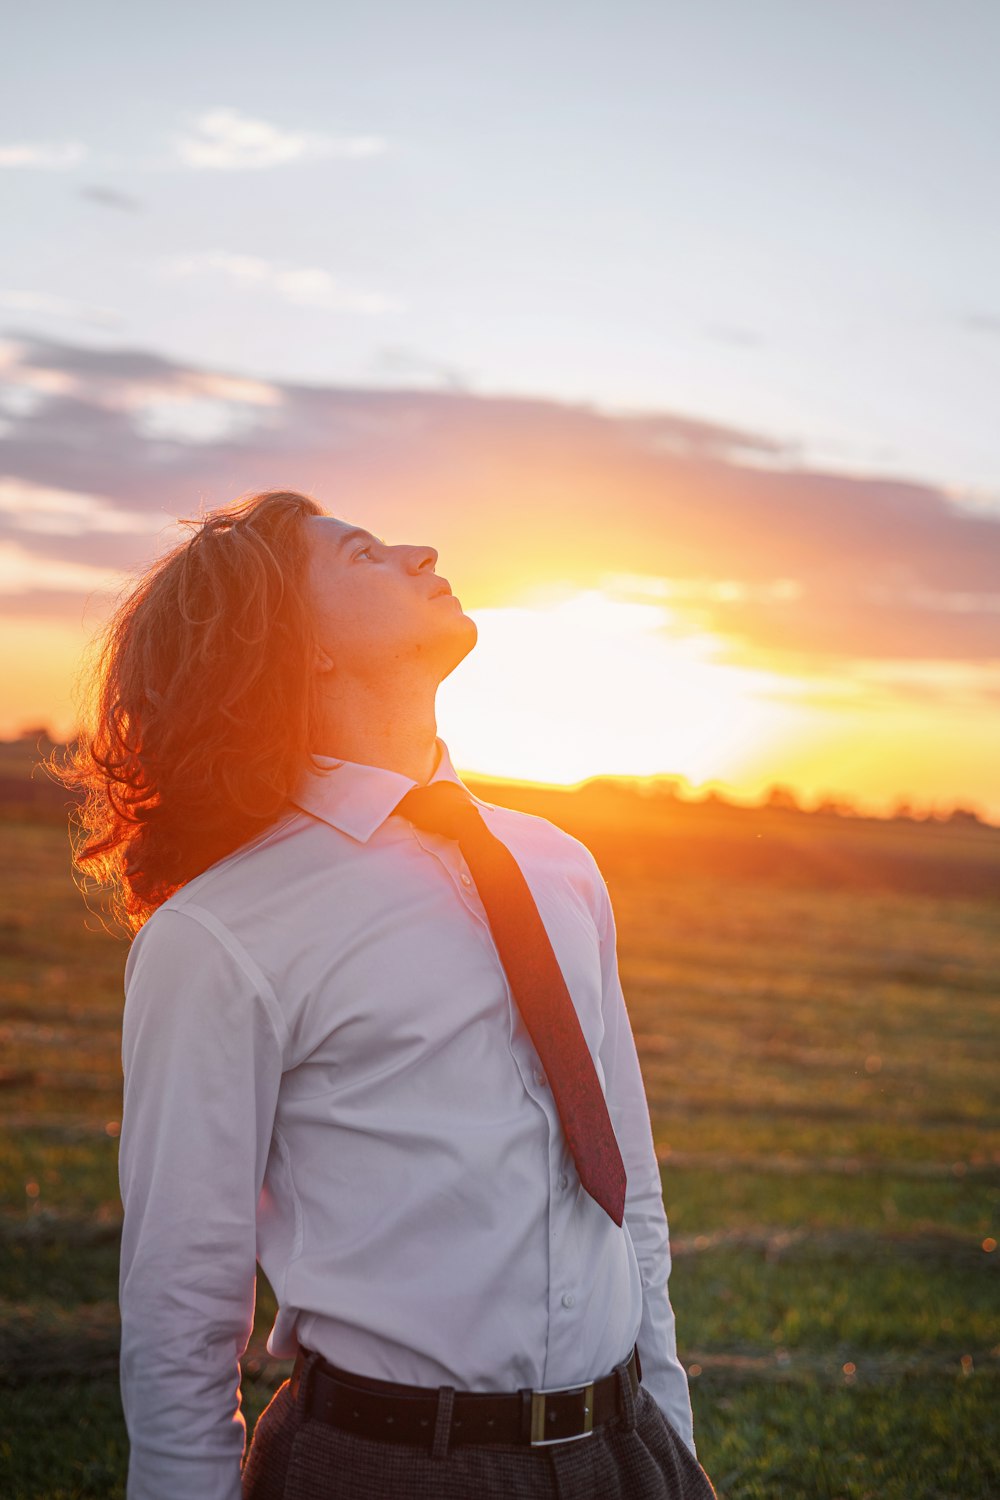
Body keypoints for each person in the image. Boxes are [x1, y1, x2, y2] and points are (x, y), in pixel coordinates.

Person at [57, 489, 717, 1500]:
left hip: (625, 1451)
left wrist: (664, 1431)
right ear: (297, 642)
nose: (422, 549)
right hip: (388, 1468)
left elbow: (628, 1185)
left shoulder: (559, 865)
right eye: (363, 554)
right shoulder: (223, 930)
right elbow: (181, 1311)